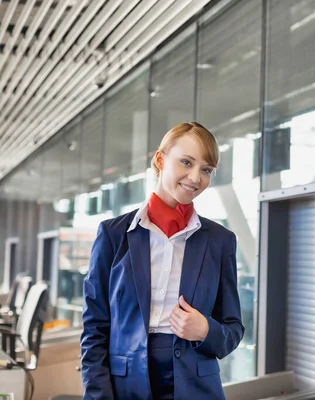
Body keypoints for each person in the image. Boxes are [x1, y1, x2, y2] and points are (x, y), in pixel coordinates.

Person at [80, 122, 245, 399]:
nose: (195, 177)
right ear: (160, 159)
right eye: (186, 162)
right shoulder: (113, 234)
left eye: (206, 170)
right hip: (127, 385)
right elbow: (95, 328)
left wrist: (206, 329)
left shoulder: (220, 240)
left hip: (196, 388)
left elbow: (233, 329)